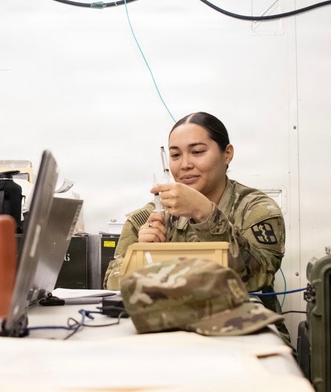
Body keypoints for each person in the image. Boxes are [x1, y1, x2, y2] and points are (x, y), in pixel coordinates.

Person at [103, 112, 285, 313]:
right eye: (175, 155)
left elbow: (260, 277)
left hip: (243, 329)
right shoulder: (151, 217)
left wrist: (205, 213)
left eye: (197, 152)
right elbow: (111, 285)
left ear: (227, 154)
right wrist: (140, 255)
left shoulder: (255, 209)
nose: (185, 164)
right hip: (169, 326)